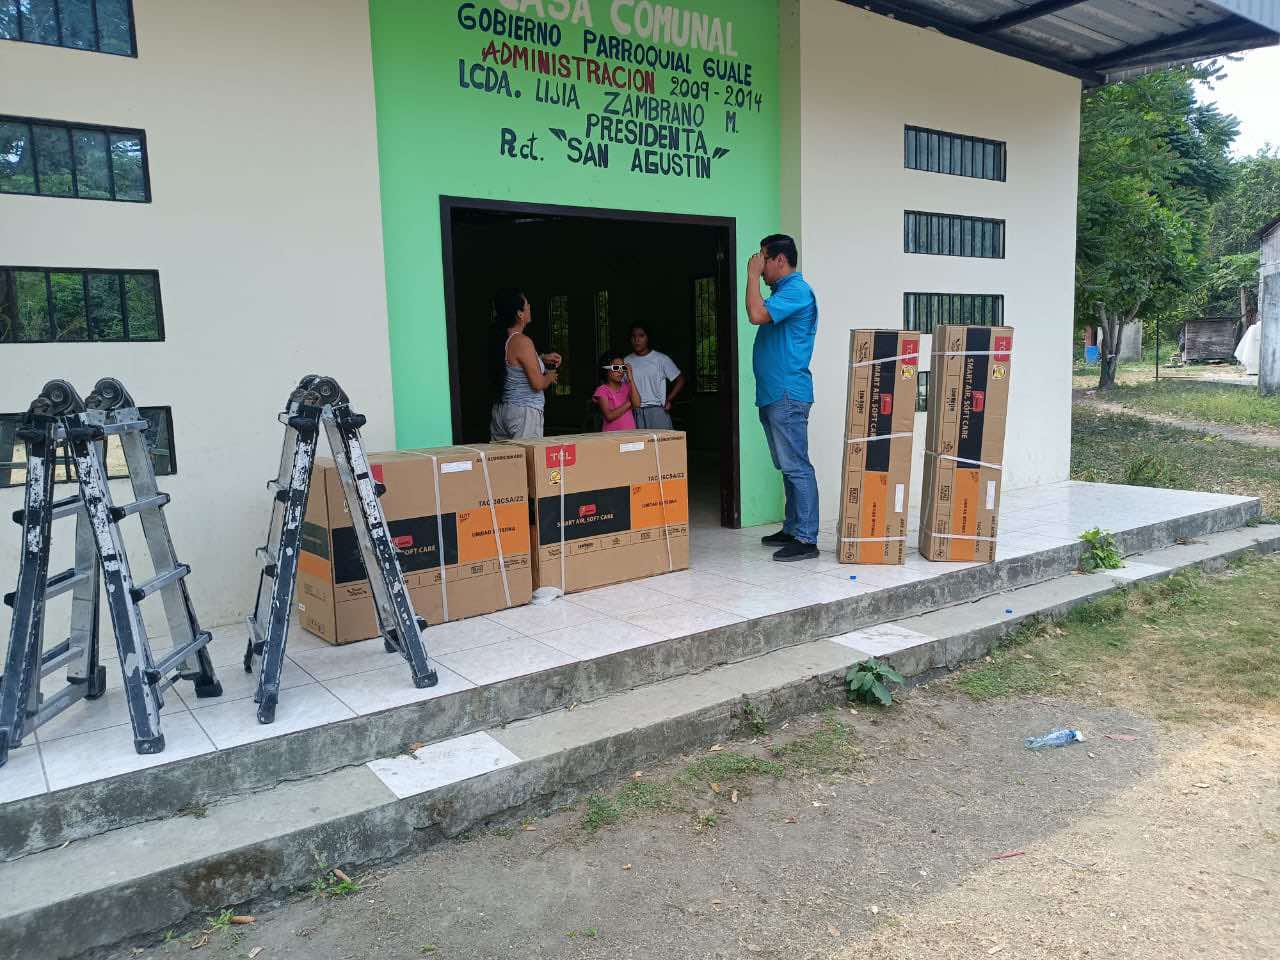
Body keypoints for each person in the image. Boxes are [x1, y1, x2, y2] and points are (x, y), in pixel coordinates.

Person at [746, 234, 820, 562]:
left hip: (787, 394)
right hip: (774, 394)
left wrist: (751, 276)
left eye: (763, 258)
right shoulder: (782, 293)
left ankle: (806, 538)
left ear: (779, 260)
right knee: (787, 467)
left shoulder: (797, 291)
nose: (759, 266)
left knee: (797, 467)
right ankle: (792, 528)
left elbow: (756, 314)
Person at [489, 288, 561, 441]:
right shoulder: (523, 342)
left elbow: (514, 364)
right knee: (528, 456)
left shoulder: (500, 339)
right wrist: (550, 376)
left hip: (501, 411)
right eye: (527, 304)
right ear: (520, 314)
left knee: (504, 457)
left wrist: (541, 358)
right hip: (524, 413)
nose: (529, 307)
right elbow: (537, 384)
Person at [625, 324, 685, 429]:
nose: (637, 340)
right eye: (633, 336)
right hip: (635, 412)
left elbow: (680, 380)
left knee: (662, 439)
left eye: (641, 336)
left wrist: (669, 399)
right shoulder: (626, 361)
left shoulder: (661, 359)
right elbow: (620, 386)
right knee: (638, 440)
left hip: (657, 410)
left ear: (648, 338)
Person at [592, 352, 640, 432]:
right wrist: (629, 403)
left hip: (630, 433)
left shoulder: (627, 386)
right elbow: (609, 416)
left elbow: (637, 404)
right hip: (612, 435)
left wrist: (631, 379)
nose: (620, 371)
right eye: (616, 367)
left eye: (623, 367)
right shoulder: (602, 390)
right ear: (606, 369)